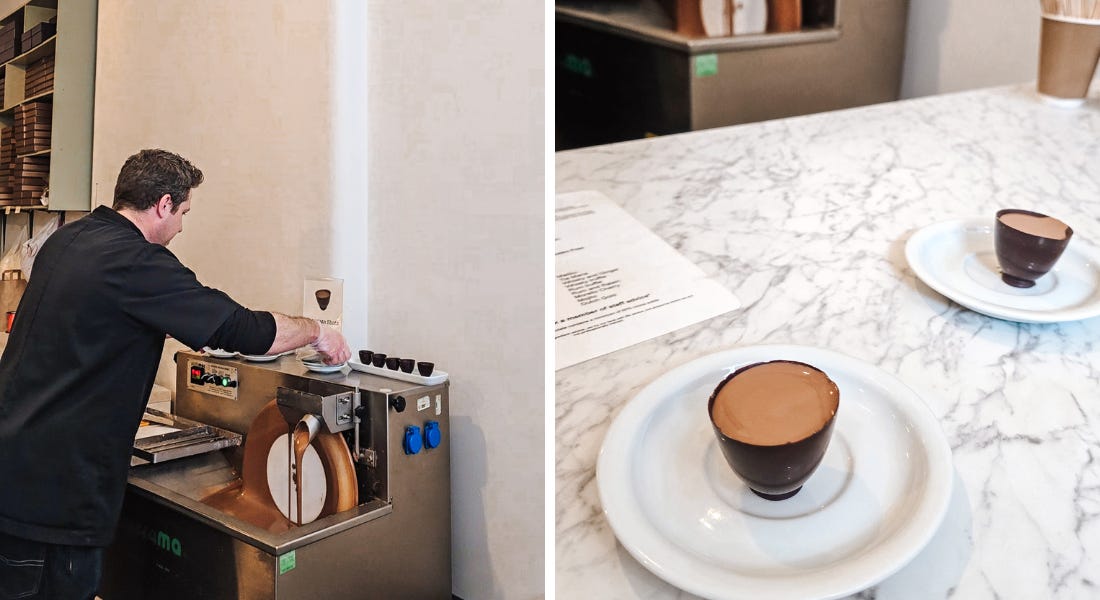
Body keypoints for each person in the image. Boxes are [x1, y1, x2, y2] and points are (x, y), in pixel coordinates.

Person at [0, 148, 350, 599]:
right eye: (183, 211)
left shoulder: (72, 239)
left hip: (15, 462)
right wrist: (316, 331)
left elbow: (92, 321)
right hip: (56, 497)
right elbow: (245, 329)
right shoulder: (137, 262)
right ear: (163, 204)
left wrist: (167, 322)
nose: (182, 225)